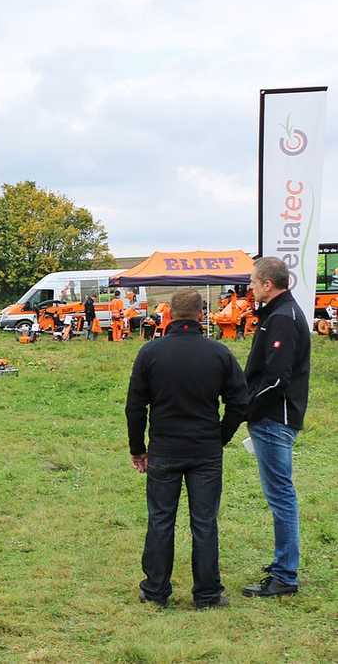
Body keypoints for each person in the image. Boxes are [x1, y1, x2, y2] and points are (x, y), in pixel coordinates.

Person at [125, 290, 248, 609]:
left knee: (161, 518)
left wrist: (138, 448)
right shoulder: (219, 353)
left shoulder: (150, 353)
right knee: (204, 522)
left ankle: (155, 590)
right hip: (205, 448)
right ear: (201, 315)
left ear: (169, 315)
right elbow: (239, 401)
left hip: (164, 447)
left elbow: (136, 406)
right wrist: (221, 436)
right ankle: (207, 594)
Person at [241, 257, 311, 598]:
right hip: (274, 417)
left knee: (281, 496)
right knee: (281, 495)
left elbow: (277, 378)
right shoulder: (281, 313)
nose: (251, 288)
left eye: (254, 282)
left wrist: (245, 407)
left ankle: (285, 574)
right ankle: (284, 566)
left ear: (268, 284)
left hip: (274, 418)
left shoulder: (283, 318)